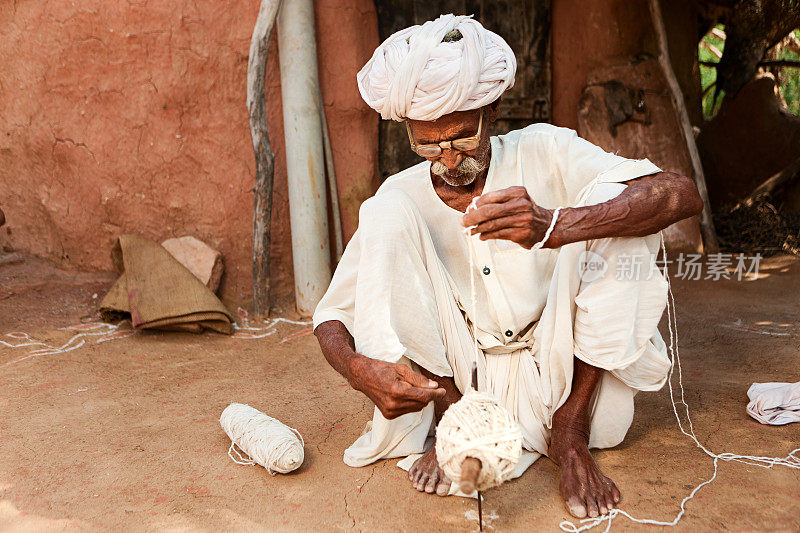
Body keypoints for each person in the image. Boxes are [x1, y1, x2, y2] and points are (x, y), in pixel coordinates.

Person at [313, 14, 703, 519]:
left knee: (618, 212)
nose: (448, 161)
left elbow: (679, 195)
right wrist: (358, 371)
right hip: (462, 376)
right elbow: (329, 318)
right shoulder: (404, 194)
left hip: (563, 371)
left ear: (491, 110)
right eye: (428, 146)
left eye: (459, 139)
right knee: (385, 211)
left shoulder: (545, 149)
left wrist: (554, 224)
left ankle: (569, 431)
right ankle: (456, 418)